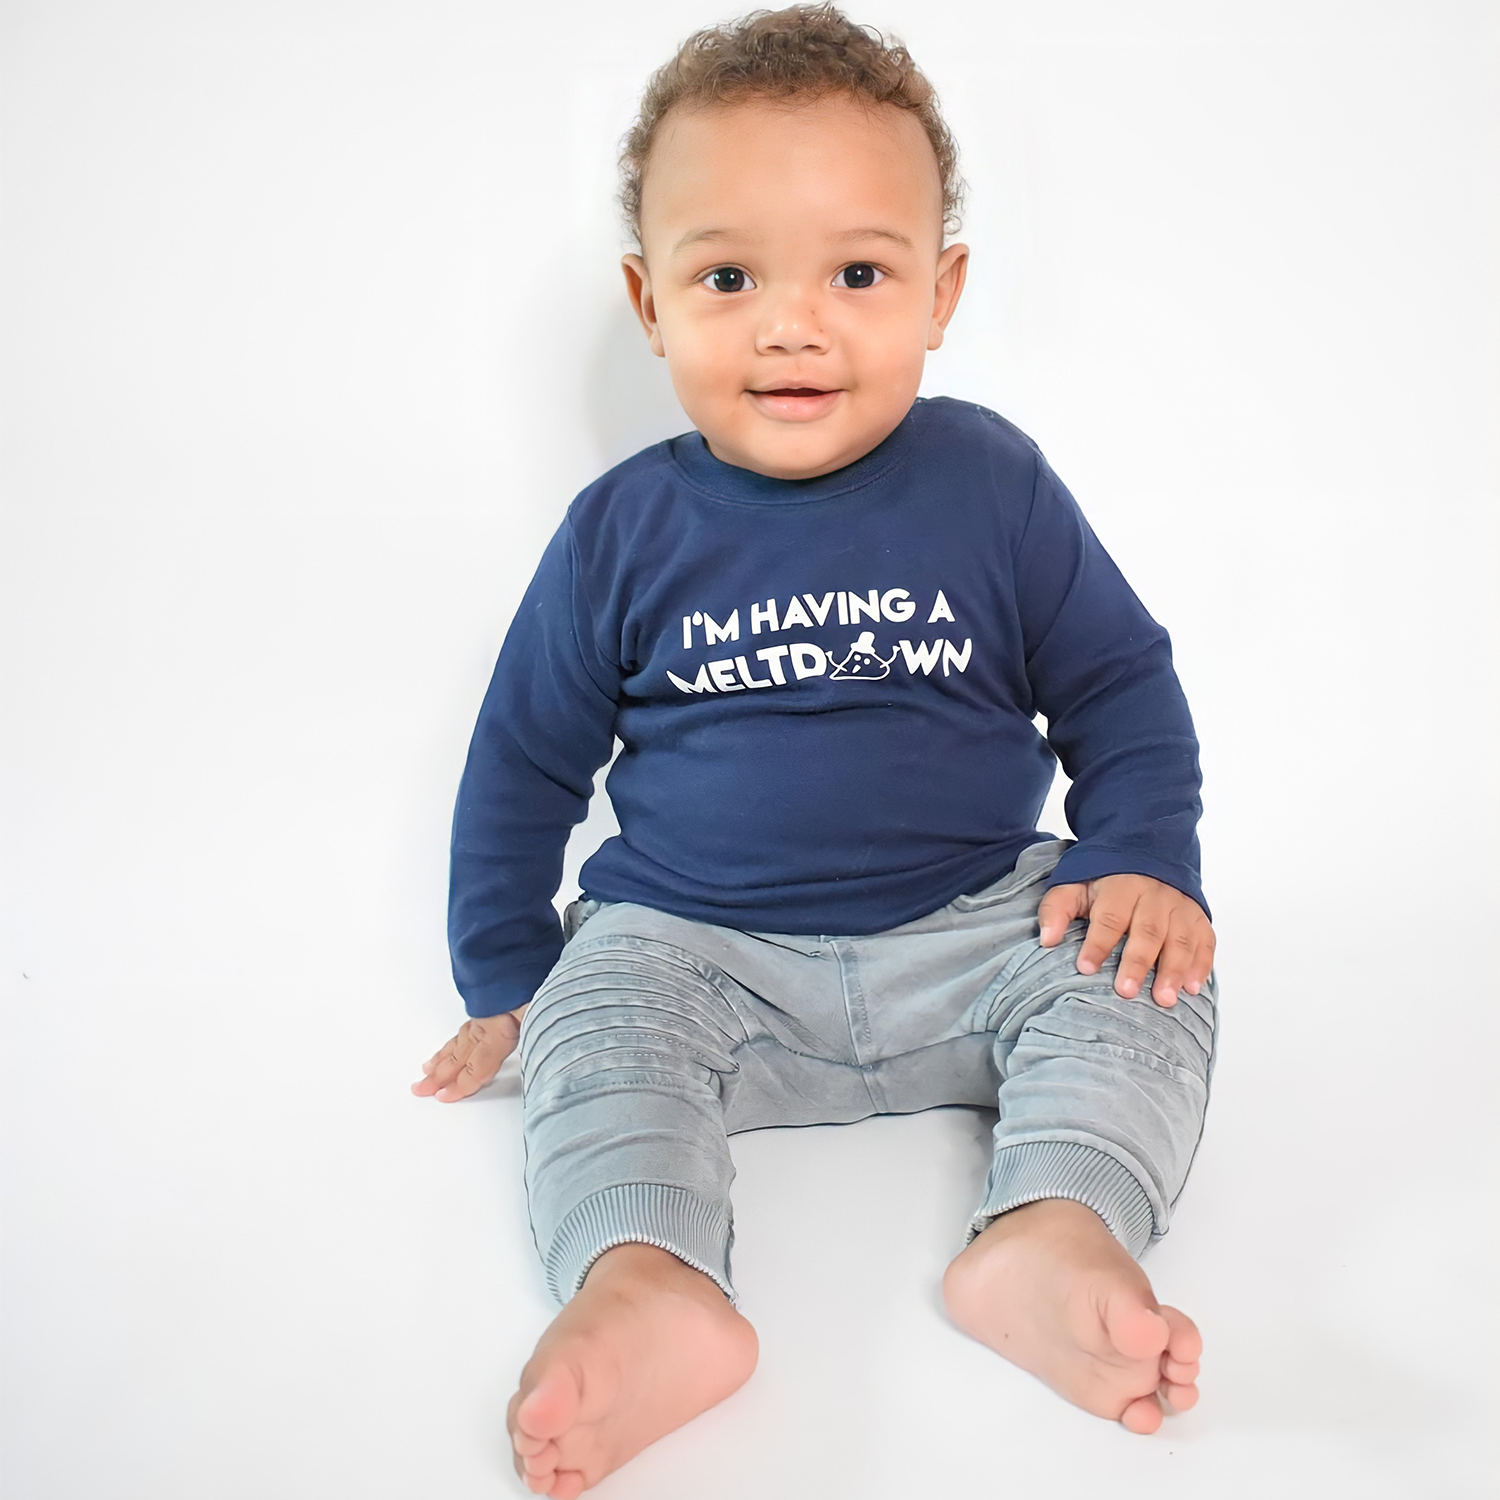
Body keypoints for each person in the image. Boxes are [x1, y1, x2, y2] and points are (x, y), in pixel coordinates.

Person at [412, 5, 1219, 1494]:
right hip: (700, 954)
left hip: (975, 926)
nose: (796, 322)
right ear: (651, 303)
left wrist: (1143, 859)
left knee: (1144, 977)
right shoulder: (621, 533)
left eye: (858, 272)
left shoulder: (994, 482)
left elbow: (1118, 681)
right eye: (730, 276)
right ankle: (651, 1280)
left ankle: (1055, 1226)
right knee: (604, 1029)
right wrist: (513, 983)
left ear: (941, 290)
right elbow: (524, 763)